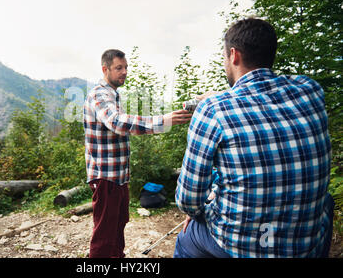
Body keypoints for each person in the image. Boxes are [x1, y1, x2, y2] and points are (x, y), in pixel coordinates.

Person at [174, 18, 334, 258]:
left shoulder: (212, 110)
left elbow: (188, 201)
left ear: (234, 55)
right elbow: (263, 97)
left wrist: (211, 99)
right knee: (327, 202)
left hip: (240, 245)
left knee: (187, 237)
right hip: (304, 245)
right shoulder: (310, 90)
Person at [83, 49, 193, 258]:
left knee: (118, 225)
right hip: (105, 176)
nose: (124, 72)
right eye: (118, 68)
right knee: (105, 235)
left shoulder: (113, 94)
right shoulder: (100, 94)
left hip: (118, 177)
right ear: (105, 69)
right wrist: (162, 121)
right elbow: (117, 122)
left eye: (125, 67)